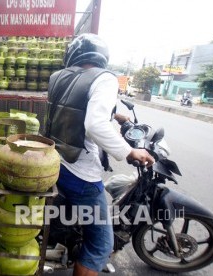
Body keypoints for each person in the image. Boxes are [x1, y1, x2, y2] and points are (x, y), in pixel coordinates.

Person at [43, 33, 155, 276]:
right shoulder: (104, 78)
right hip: (80, 172)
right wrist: (129, 151)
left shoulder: (58, 77)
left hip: (55, 162)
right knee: (100, 244)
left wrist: (114, 115)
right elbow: (94, 125)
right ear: (102, 57)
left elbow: (71, 108)